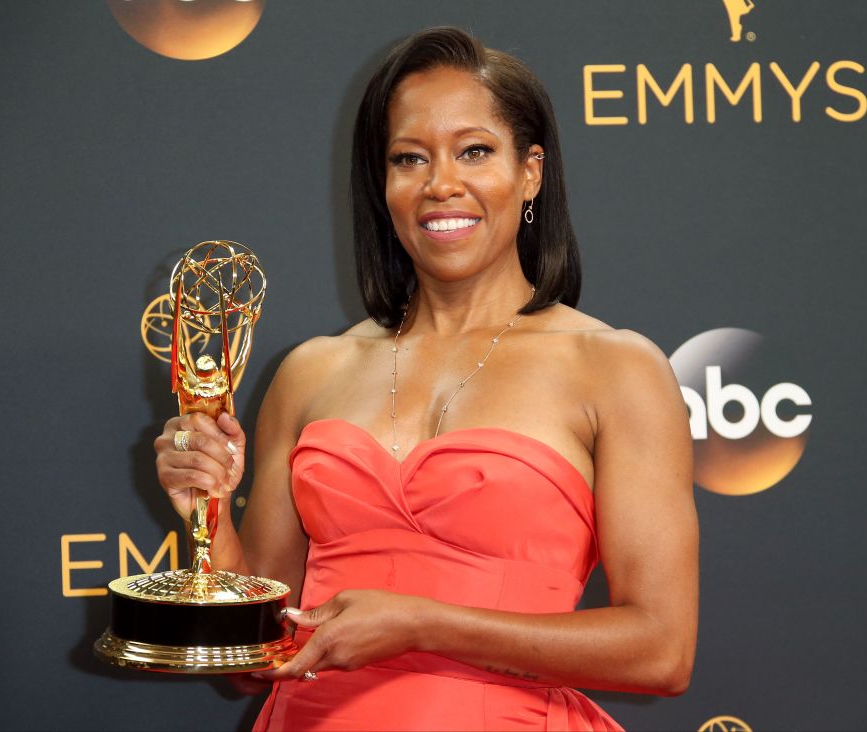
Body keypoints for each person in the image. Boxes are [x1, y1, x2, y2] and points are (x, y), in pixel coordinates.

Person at [155, 26, 698, 732]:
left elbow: (662, 652)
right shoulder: (311, 371)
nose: (441, 184)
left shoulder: (615, 369)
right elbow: (261, 658)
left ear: (530, 171)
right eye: (409, 158)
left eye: (474, 151)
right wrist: (209, 510)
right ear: (382, 186)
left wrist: (422, 624)